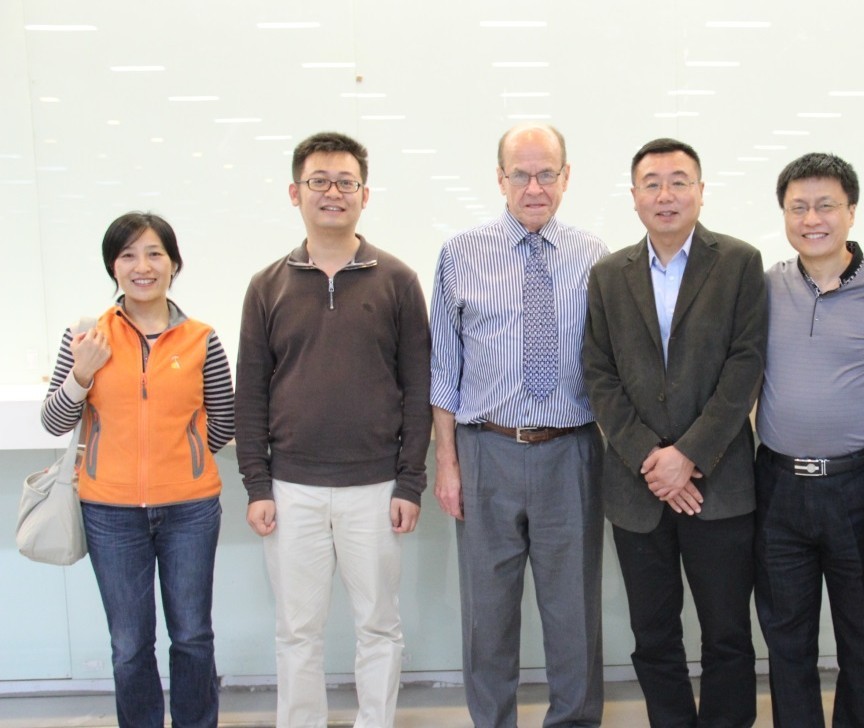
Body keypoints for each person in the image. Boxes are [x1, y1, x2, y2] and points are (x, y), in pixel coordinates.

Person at [235, 131, 431, 728]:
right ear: (295, 192)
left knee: (379, 625)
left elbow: (419, 389)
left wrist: (410, 482)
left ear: (364, 195)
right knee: (297, 630)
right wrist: (257, 485)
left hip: (375, 487)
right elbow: (251, 393)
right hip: (291, 488)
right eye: (318, 181)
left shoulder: (397, 280)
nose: (332, 192)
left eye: (346, 182)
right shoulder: (266, 285)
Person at [584, 137, 768, 728]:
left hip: (720, 484)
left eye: (679, 181)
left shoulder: (739, 262)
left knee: (728, 633)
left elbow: (745, 366)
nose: (666, 195)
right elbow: (599, 374)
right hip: (638, 490)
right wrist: (653, 458)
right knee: (653, 634)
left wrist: (688, 455)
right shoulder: (608, 275)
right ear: (634, 196)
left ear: (701, 191)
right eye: (652, 183)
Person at [429, 123, 607, 728]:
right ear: (500, 179)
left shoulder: (595, 255)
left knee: (573, 612)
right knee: (487, 615)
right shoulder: (460, 253)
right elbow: (443, 369)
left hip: (570, 450)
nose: (535, 187)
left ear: (566, 177)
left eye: (547, 174)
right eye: (522, 175)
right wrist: (447, 464)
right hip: (486, 451)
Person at [40, 211, 233, 728]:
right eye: (128, 255)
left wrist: (185, 457)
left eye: (154, 254)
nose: (141, 267)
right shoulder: (86, 336)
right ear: (113, 266)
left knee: (192, 636)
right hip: (110, 512)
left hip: (191, 510)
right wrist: (81, 375)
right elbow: (54, 422)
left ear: (174, 264)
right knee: (129, 644)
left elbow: (223, 419)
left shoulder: (201, 338)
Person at [754, 152, 864, 727]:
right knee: (786, 640)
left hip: (857, 488)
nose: (811, 219)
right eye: (797, 207)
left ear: (851, 211)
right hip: (778, 488)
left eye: (825, 205)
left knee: (863, 638)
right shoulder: (766, 287)